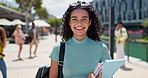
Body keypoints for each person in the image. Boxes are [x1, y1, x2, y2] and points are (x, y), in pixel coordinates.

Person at [49, 1, 111, 78]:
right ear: (69, 22)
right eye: (74, 19)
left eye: (84, 19)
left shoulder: (101, 48)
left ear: (89, 22)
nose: (79, 23)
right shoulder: (58, 49)